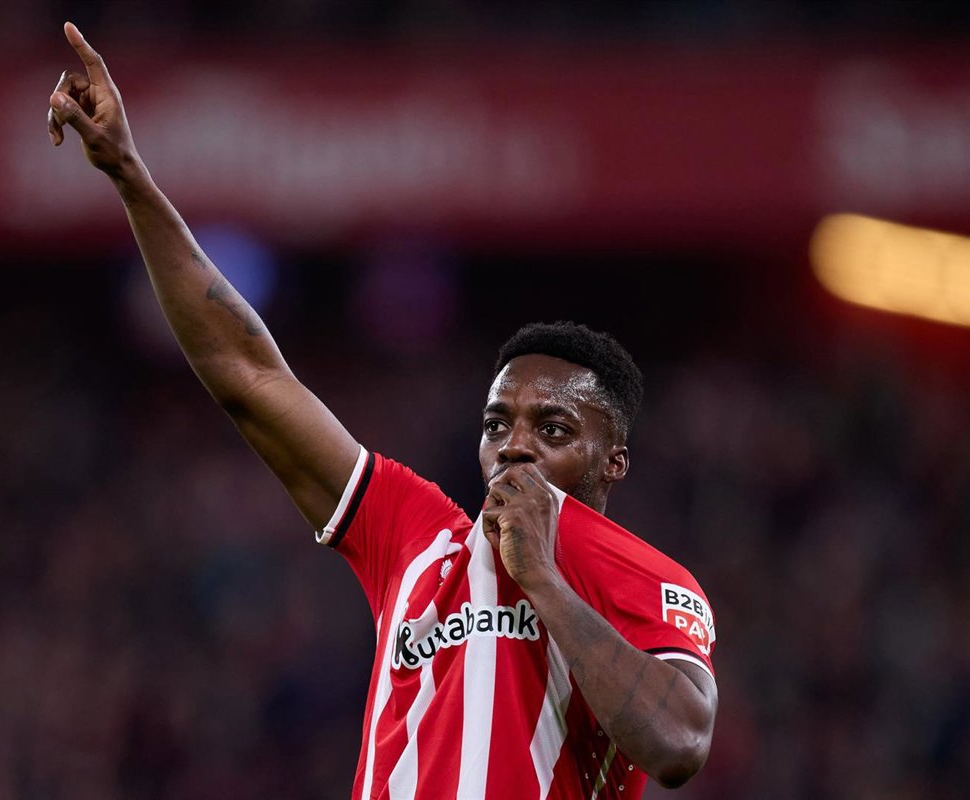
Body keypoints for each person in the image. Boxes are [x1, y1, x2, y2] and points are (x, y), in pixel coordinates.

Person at [47, 21, 718, 799]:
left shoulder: (642, 577)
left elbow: (679, 743)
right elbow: (250, 376)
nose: (515, 446)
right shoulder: (418, 538)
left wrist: (542, 578)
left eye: (554, 428)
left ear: (613, 461)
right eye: (497, 425)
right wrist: (130, 174)